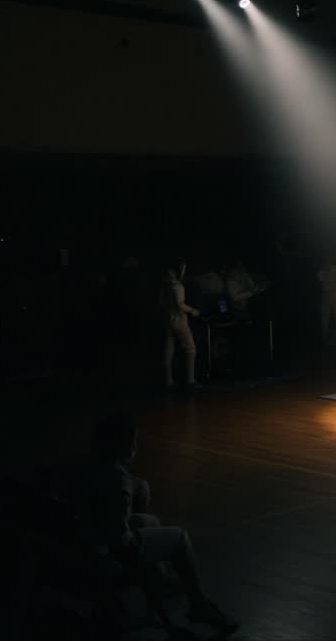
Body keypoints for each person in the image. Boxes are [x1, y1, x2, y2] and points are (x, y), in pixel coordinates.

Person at [74, 412, 238, 635]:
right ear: (122, 444)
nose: (135, 446)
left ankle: (160, 577)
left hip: (82, 538)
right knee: (180, 537)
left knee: (150, 521)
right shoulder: (118, 480)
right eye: (133, 441)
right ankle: (198, 603)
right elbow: (120, 541)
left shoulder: (85, 466)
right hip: (104, 551)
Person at [162, 259, 200, 390]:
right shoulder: (177, 286)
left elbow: (161, 303)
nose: (183, 272)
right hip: (178, 319)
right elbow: (180, 304)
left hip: (168, 319)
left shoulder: (165, 285)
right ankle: (191, 381)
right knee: (191, 349)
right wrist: (193, 311)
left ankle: (169, 381)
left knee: (169, 351)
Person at [318, 256, 336, 346]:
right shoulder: (321, 271)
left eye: (330, 260)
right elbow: (320, 279)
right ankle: (326, 340)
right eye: (326, 260)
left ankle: (334, 339)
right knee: (324, 320)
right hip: (325, 295)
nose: (328, 261)